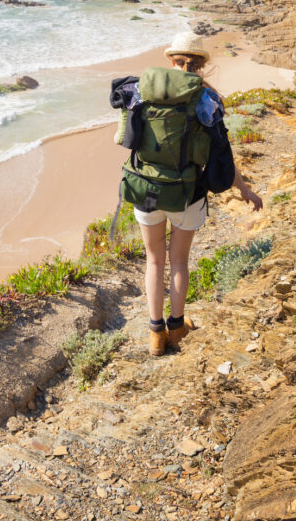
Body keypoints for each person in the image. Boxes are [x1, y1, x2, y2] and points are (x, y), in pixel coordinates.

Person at [111, 32, 262, 356]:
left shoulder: (139, 91)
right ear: (201, 66)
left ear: (171, 61)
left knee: (154, 260)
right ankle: (177, 328)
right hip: (186, 193)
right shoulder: (207, 101)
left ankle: (155, 335)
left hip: (145, 189)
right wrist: (245, 190)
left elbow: (121, 138)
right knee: (179, 261)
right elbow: (222, 156)